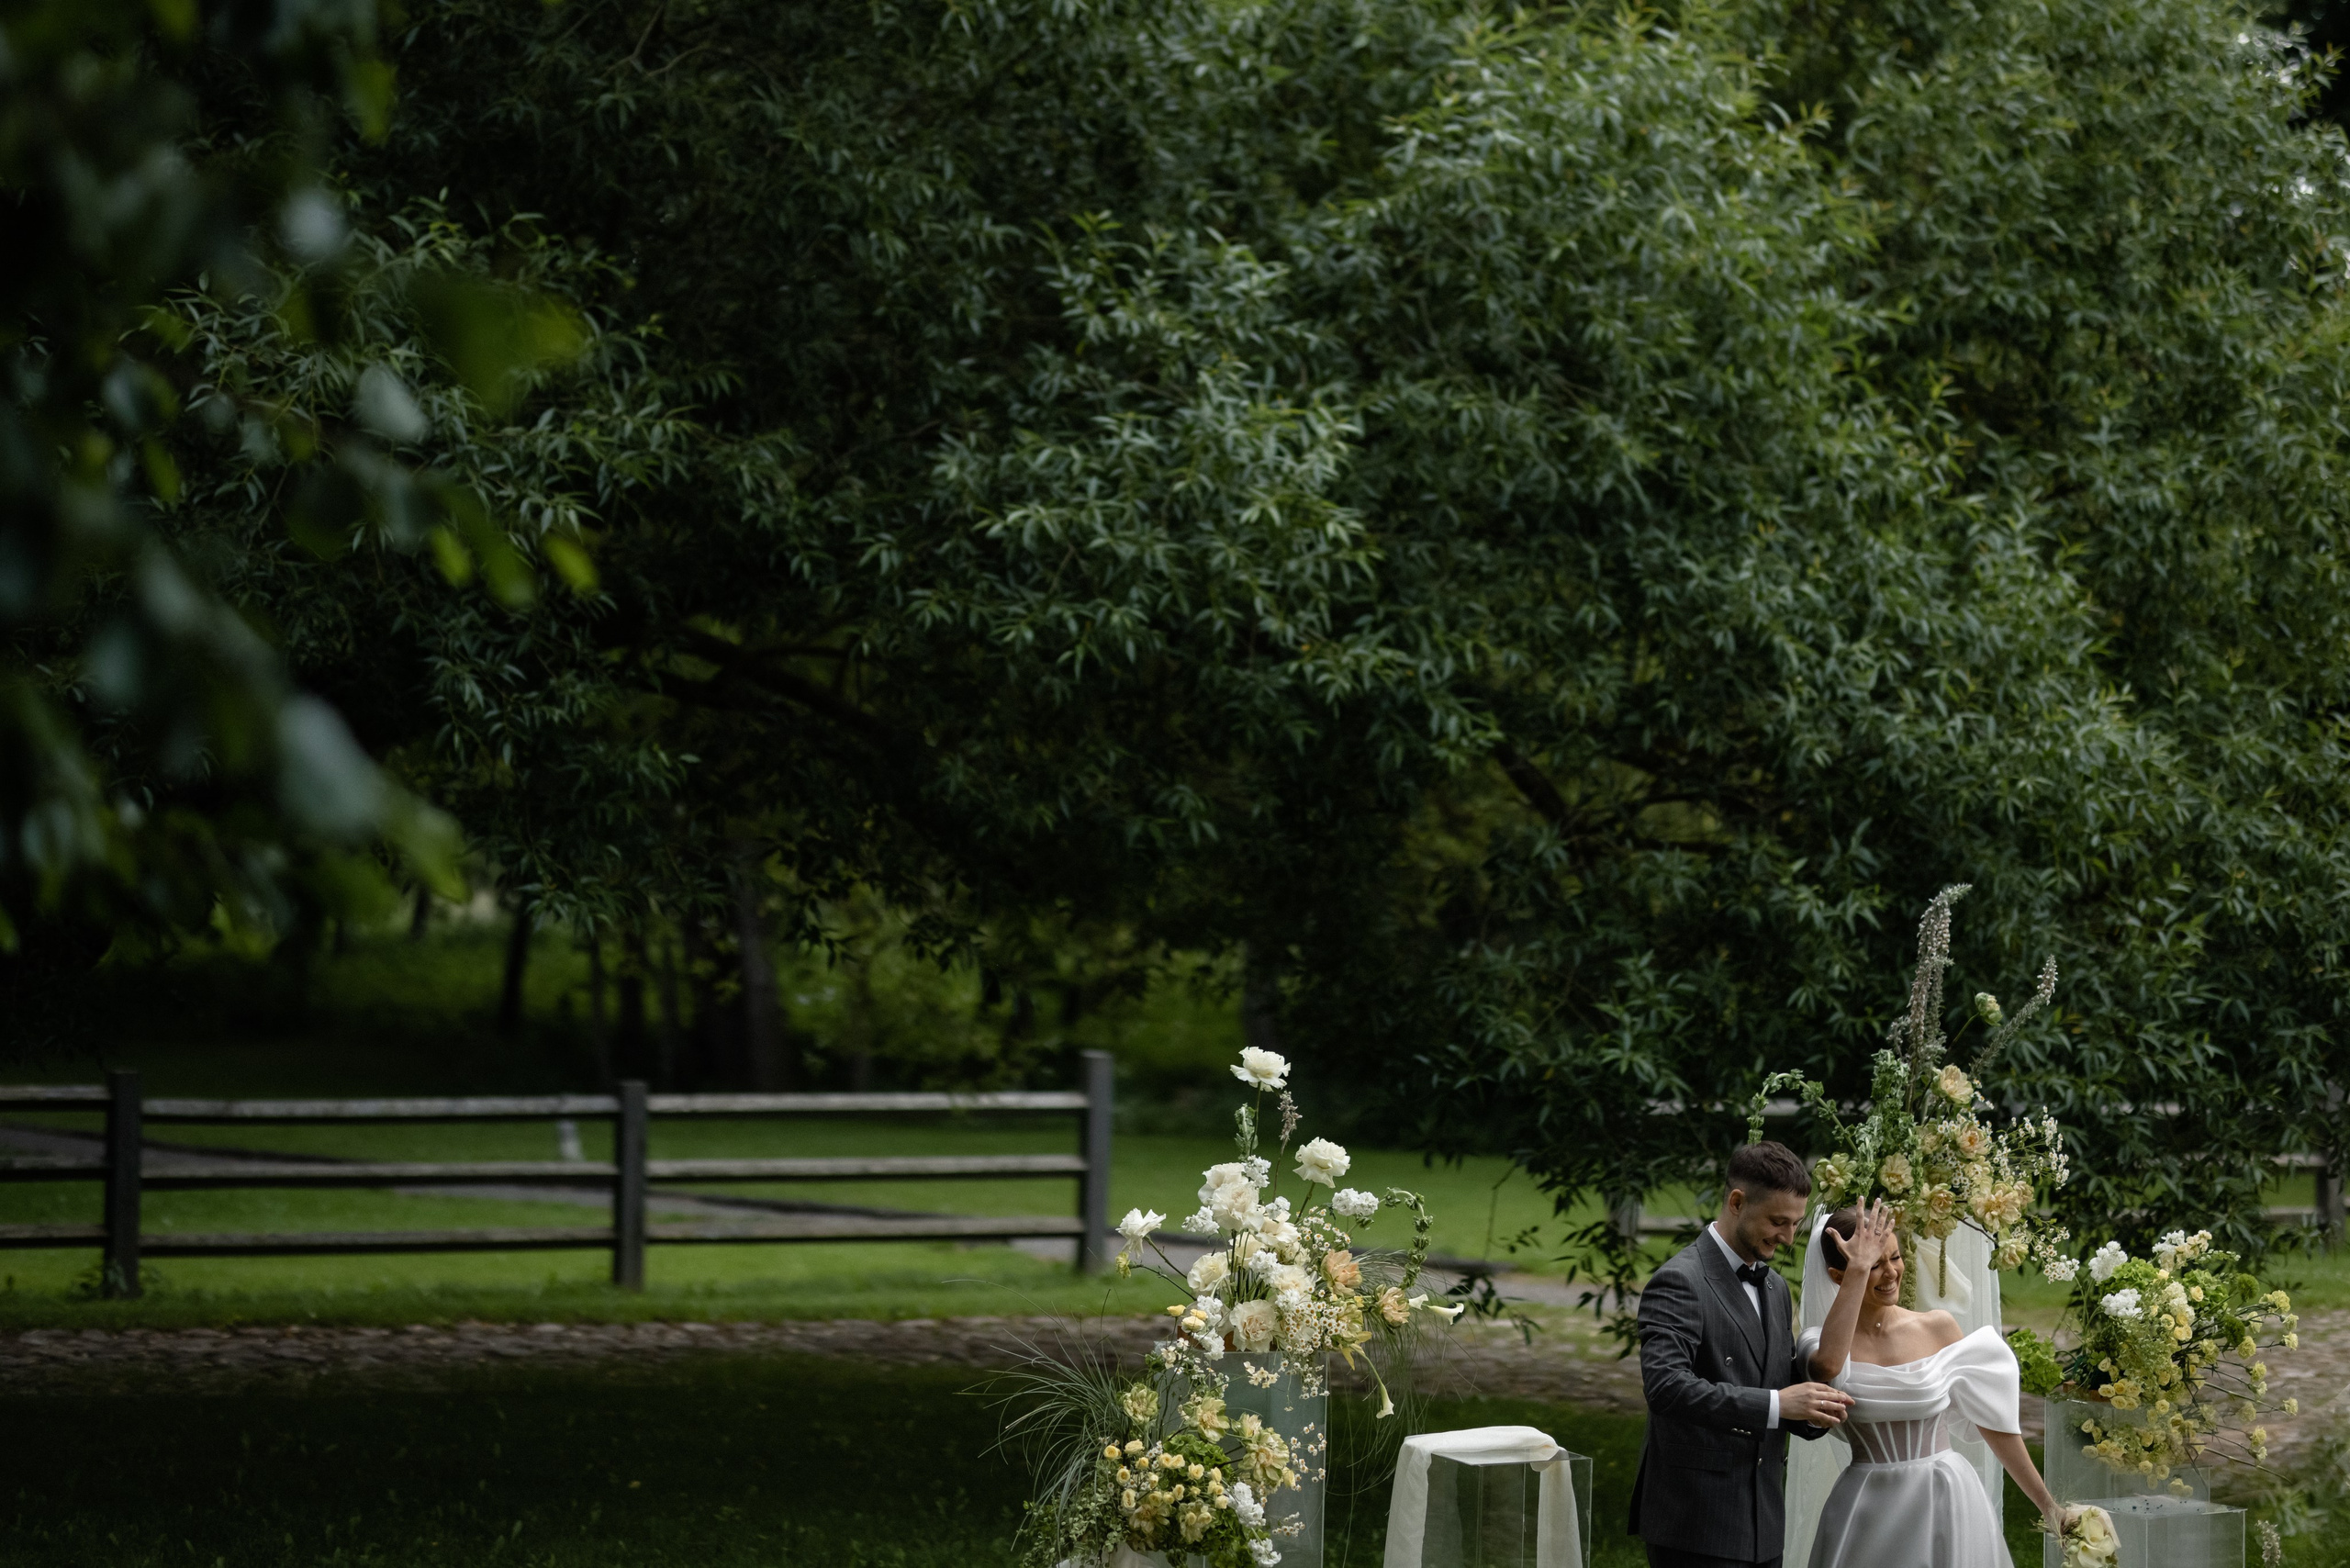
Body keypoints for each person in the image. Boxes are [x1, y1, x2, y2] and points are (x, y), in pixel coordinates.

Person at [1796, 1200, 2072, 1568]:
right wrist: (1859, 1267)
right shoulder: (1816, 1343)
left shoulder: (1937, 1327)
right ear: (1837, 1276)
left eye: (1894, 1257)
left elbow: (1996, 1425)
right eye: (1874, 1265)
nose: (1891, 1272)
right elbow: (1829, 1367)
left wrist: (2049, 1507)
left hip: (1945, 1496)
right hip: (1866, 1505)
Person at [1629, 1142, 1852, 1568]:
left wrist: (1812, 1410)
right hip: (1695, 1521)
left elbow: (1775, 1382)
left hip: (1763, 1520)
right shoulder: (1679, 1280)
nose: (1788, 1237)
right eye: (1778, 1221)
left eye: (1795, 1224)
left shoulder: (1774, 1288)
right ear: (1737, 1202)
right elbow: (1666, 1387)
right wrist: (1777, 1403)